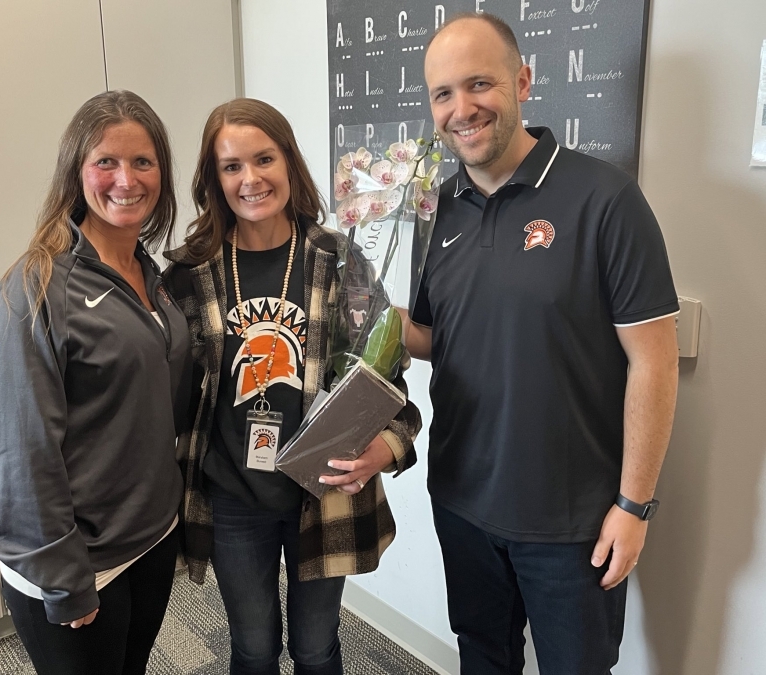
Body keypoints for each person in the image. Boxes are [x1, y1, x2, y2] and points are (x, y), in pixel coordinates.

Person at [403, 13, 680, 675]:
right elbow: (438, 339)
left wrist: (633, 505)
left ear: (523, 80)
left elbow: (655, 359)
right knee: (483, 657)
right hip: (463, 498)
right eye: (443, 93)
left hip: (572, 519)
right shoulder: (435, 208)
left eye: (480, 84)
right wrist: (367, 318)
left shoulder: (605, 198)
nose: (461, 109)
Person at [162, 98, 421, 675]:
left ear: (289, 164)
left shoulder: (338, 260)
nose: (250, 178)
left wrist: (384, 452)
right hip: (232, 498)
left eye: (264, 159)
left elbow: (390, 387)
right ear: (214, 179)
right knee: (253, 650)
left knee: (316, 649)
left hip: (322, 493)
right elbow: (160, 393)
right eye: (231, 166)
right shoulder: (187, 274)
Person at [0, 90, 190, 675]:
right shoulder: (36, 289)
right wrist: (62, 578)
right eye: (106, 162)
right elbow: (20, 453)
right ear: (77, 171)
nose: (127, 180)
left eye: (143, 162)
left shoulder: (152, 275)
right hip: (76, 562)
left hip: (148, 538)